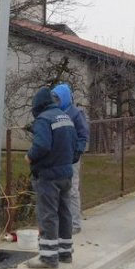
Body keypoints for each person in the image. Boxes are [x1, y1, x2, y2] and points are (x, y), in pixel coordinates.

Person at [24, 87, 77, 269]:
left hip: (48, 175)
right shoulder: (64, 117)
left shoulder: (43, 119)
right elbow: (74, 144)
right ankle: (65, 253)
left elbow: (43, 145)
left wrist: (29, 156)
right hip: (66, 174)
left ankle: (48, 258)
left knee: (48, 215)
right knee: (64, 214)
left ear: (37, 105)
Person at [51, 83, 89, 237]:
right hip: (58, 157)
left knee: (72, 190)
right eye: (54, 99)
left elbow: (83, 134)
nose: (55, 101)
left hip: (71, 157)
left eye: (57, 98)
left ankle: (75, 223)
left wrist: (78, 151)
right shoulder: (54, 113)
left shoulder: (75, 114)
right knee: (58, 190)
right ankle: (63, 221)